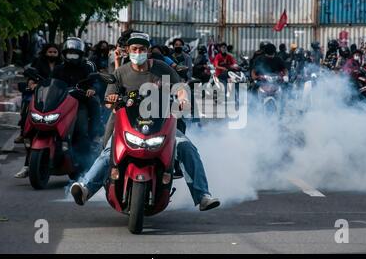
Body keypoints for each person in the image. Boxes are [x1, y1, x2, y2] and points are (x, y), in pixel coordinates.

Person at [69, 33, 220, 211]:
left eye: (142, 49)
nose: (138, 52)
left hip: (161, 124)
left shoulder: (162, 68)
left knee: (187, 148)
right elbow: (109, 101)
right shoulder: (120, 72)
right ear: (128, 51)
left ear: (148, 51)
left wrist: (183, 98)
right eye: (134, 49)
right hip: (126, 125)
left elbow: (180, 88)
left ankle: (202, 195)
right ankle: (86, 188)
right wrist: (113, 98)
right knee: (108, 152)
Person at [14, 43, 62, 178]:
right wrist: (32, 83)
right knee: (28, 110)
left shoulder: (61, 65)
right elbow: (31, 77)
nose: (52, 54)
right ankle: (23, 132)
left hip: (56, 99)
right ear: (45, 52)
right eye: (50, 52)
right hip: (40, 97)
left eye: (54, 52)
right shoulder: (38, 62)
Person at [53, 37, 101, 151]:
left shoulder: (87, 68)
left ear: (81, 54)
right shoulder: (58, 69)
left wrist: (92, 89)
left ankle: (93, 138)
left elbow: (95, 82)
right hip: (59, 103)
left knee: (82, 129)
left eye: (75, 54)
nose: (72, 56)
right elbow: (50, 83)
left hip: (80, 103)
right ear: (64, 54)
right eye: (69, 54)